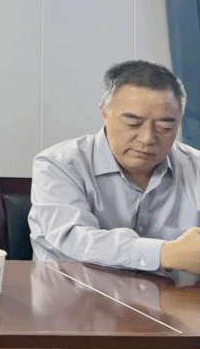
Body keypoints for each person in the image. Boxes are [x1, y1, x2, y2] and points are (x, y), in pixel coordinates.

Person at [30, 60, 200, 275]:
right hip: (75, 293)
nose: (147, 138)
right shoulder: (59, 164)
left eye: (165, 126)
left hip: (174, 295)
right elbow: (73, 239)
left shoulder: (195, 167)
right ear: (104, 113)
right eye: (133, 123)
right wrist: (164, 253)